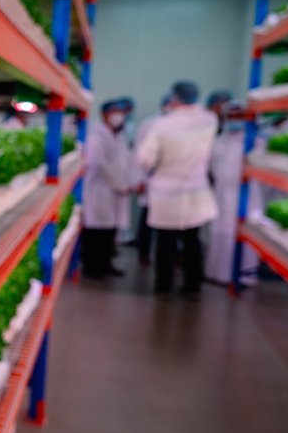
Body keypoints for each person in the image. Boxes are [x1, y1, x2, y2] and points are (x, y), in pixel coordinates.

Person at [137, 81, 219, 299]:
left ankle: (164, 287)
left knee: (166, 243)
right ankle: (193, 286)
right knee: (192, 241)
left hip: (167, 191)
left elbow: (145, 159)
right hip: (196, 191)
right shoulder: (209, 120)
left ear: (173, 99)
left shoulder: (162, 125)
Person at [205, 102, 262, 285]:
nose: (234, 121)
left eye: (239, 117)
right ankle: (217, 274)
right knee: (219, 233)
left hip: (246, 195)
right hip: (221, 194)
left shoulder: (255, 142)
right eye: (231, 117)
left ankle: (243, 277)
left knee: (241, 234)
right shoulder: (218, 142)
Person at [82, 98, 135, 279]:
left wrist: (128, 183)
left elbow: (126, 160)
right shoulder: (95, 134)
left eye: (121, 113)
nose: (119, 116)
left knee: (109, 232)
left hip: (115, 191)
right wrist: (120, 185)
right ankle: (92, 268)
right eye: (115, 112)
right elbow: (99, 163)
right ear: (104, 114)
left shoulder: (119, 135)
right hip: (99, 190)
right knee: (96, 232)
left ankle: (106, 265)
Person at [132, 94, 172, 264]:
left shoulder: (179, 126)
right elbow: (139, 153)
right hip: (150, 178)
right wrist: (140, 179)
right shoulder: (149, 124)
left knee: (170, 224)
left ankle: (170, 256)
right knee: (147, 218)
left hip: (172, 181)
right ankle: (144, 253)